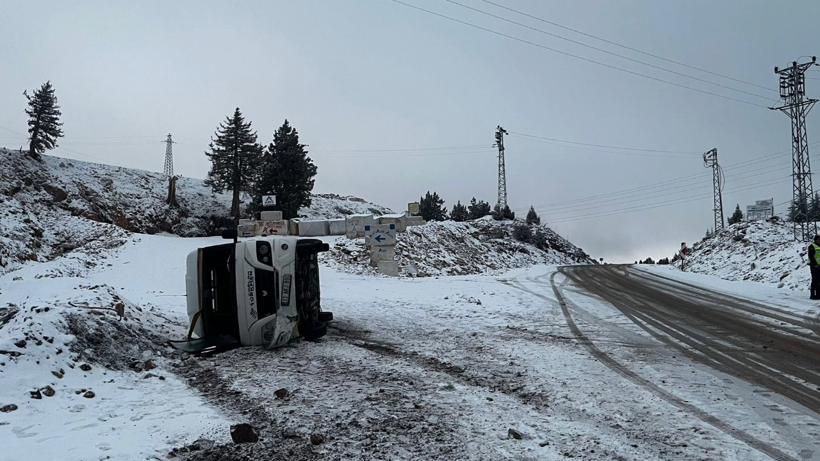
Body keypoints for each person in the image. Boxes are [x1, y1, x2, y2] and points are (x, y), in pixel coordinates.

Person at [809, 235, 820, 299]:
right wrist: (815, 264)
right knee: (815, 280)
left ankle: (818, 294)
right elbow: (811, 256)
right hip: (814, 266)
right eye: (819, 239)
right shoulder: (812, 246)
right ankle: (813, 295)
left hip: (819, 265)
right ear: (816, 240)